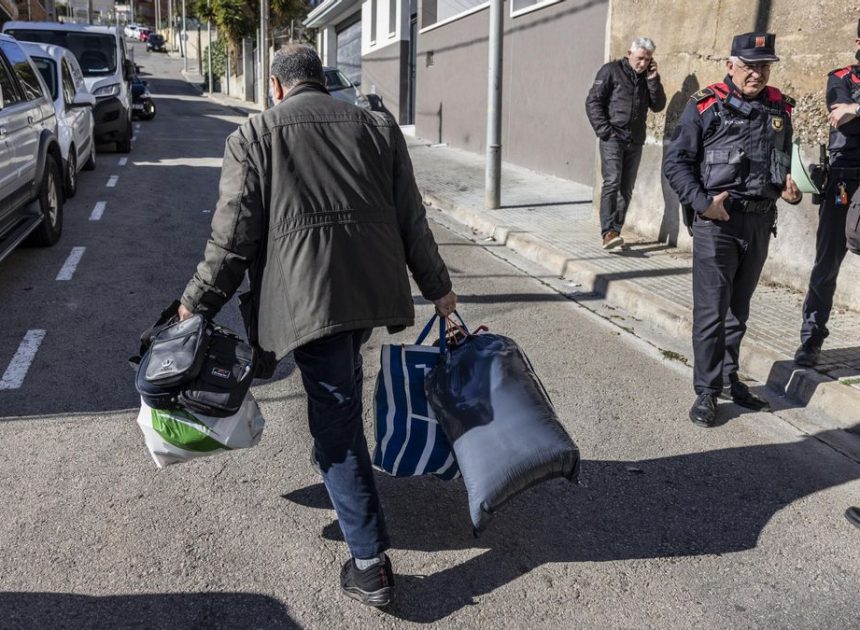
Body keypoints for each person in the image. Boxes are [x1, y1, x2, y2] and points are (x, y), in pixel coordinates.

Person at [177, 44, 457, 607]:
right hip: (370, 291)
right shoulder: (378, 127)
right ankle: (339, 467)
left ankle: (370, 564)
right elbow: (412, 218)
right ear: (321, 82)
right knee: (341, 384)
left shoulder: (253, 136)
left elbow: (232, 241)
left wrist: (195, 304)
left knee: (335, 425)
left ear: (277, 87)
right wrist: (439, 290)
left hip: (309, 300)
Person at [663, 32, 802, 427]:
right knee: (711, 312)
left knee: (738, 311)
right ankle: (706, 392)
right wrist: (704, 204)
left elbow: (784, 162)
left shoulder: (779, 107)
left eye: (764, 66)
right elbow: (676, 164)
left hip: (759, 221)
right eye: (749, 66)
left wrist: (789, 191)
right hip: (717, 225)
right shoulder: (706, 106)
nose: (757, 74)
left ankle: (728, 378)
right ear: (730, 65)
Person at [794, 21, 860, 367]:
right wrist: (850, 112)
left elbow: (853, 114)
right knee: (826, 264)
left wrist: (858, 109)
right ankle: (812, 337)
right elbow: (840, 118)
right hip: (844, 182)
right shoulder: (842, 77)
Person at [585, 36, 666, 249]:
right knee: (612, 181)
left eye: (648, 59)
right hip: (613, 137)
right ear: (629, 54)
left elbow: (658, 105)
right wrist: (605, 131)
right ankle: (608, 232)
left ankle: (615, 232)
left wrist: (653, 80)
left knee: (626, 188)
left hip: (635, 140)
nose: (643, 63)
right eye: (640, 58)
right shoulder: (610, 71)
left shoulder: (647, 77)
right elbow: (593, 101)